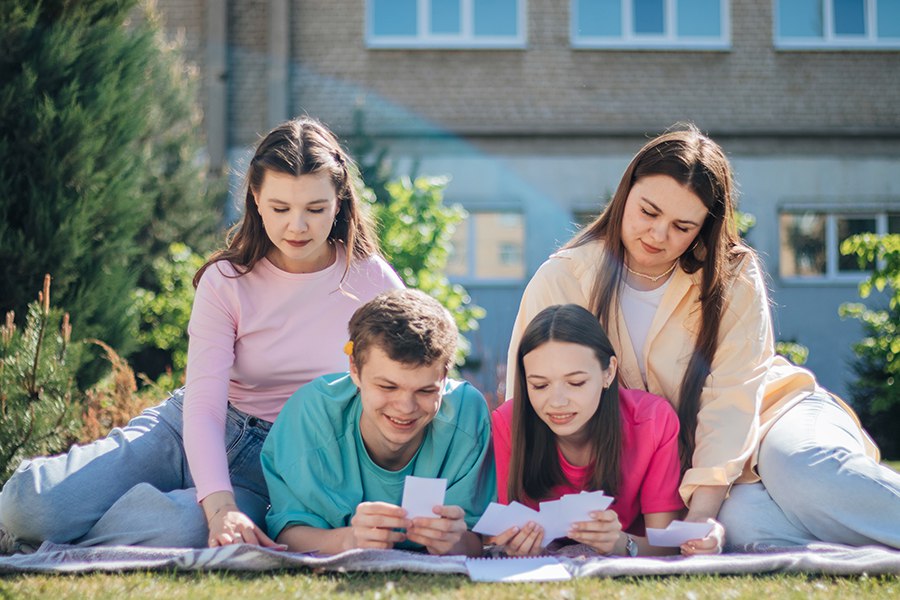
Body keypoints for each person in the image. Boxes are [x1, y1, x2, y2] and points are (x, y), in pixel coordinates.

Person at [0, 117, 404, 552]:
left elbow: (415, 380)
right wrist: (217, 503)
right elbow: (204, 405)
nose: (297, 227)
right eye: (280, 208)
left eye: (316, 209)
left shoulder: (372, 282)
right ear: (255, 199)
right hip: (187, 429)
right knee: (28, 508)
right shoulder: (227, 279)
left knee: (188, 533)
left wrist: (221, 511)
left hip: (277, 464)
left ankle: (58, 542)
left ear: (340, 201)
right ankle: (41, 528)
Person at [505, 124, 900, 554]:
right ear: (625, 194)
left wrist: (700, 515)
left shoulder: (731, 275)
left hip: (771, 412)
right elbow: (531, 396)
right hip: (692, 465)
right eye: (649, 212)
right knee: (743, 527)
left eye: (682, 226)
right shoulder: (565, 277)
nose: (658, 236)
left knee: (801, 472)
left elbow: (732, 399)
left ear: (703, 228)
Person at [261, 289, 494, 556]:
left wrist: (455, 542)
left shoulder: (467, 414)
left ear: (444, 376)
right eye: (387, 386)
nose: (406, 407)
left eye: (426, 391)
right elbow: (287, 533)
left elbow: (480, 540)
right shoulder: (311, 415)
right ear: (355, 370)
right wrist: (348, 540)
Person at [491, 304, 684, 557]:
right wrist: (516, 545)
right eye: (539, 385)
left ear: (609, 372)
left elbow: (666, 544)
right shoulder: (508, 422)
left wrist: (622, 543)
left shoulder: (653, 421)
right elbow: (498, 533)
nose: (557, 401)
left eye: (576, 382)